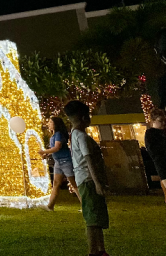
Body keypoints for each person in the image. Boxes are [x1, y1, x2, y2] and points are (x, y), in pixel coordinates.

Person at [64, 100, 110, 256]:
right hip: (88, 180)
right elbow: (88, 159)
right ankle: (93, 251)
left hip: (84, 179)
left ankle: (101, 250)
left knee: (96, 217)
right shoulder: (81, 136)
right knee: (92, 218)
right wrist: (97, 183)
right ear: (83, 117)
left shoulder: (74, 134)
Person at [38, 116, 79, 210]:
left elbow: (57, 147)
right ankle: (50, 206)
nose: (48, 124)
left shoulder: (58, 135)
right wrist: (47, 155)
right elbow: (54, 149)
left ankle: (85, 205)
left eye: (50, 122)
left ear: (56, 124)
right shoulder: (54, 136)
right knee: (56, 184)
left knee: (74, 183)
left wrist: (44, 151)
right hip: (58, 162)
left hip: (65, 161)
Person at [145, 108, 166, 203]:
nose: (163, 123)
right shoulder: (151, 134)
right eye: (160, 121)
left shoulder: (163, 132)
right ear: (153, 121)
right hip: (162, 166)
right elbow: (155, 152)